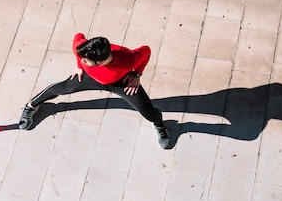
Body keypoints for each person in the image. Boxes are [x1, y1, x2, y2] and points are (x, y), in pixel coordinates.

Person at [19, 33, 170, 148]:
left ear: (101, 62)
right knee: (62, 88)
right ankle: (32, 105)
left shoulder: (127, 58)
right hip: (89, 78)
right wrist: (79, 66)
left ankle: (158, 123)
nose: (82, 59)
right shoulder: (84, 47)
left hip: (122, 83)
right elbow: (78, 37)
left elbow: (146, 51)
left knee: (149, 113)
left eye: (85, 60)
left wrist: (137, 74)